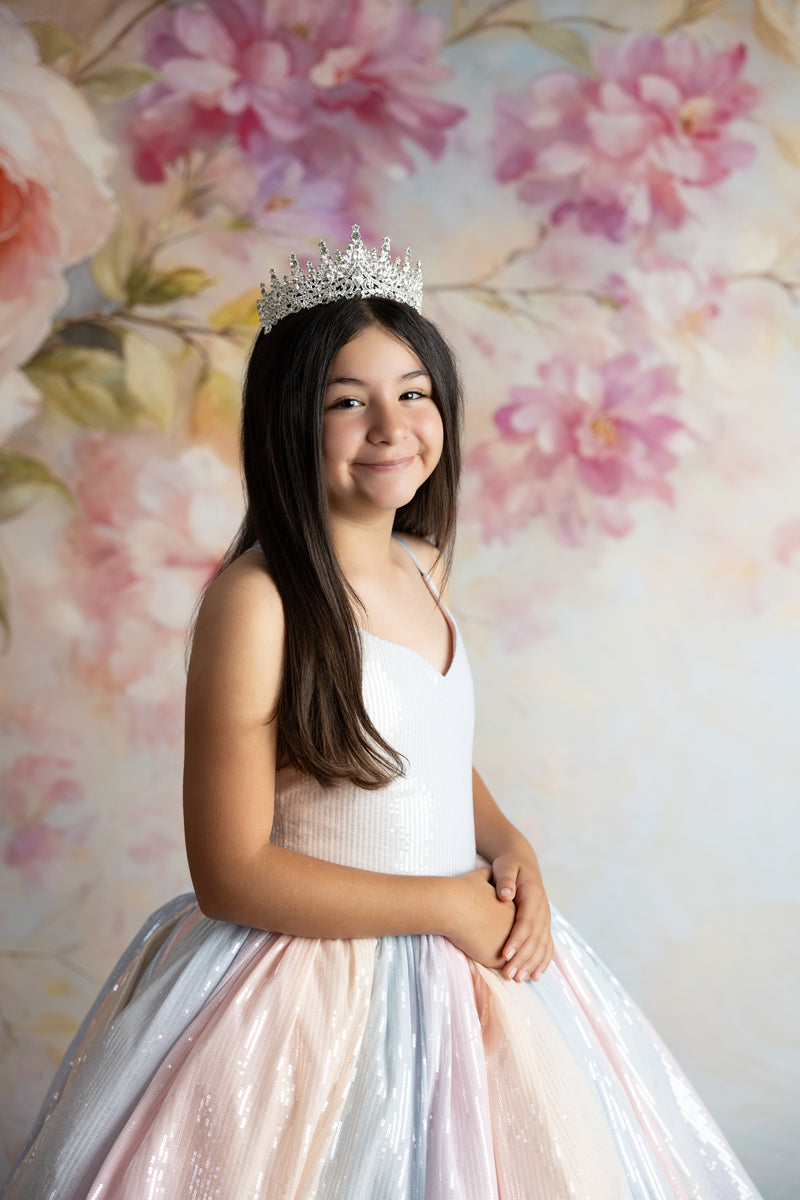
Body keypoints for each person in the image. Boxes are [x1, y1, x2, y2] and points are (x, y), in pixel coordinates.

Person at [3, 228, 762, 1200]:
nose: (389, 425)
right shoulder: (260, 599)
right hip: (306, 989)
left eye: (412, 393)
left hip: (462, 969)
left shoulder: (421, 565)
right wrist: (441, 904)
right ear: (286, 420)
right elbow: (230, 873)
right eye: (346, 402)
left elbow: (418, 753)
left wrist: (504, 839)